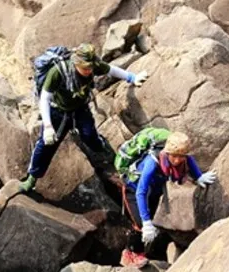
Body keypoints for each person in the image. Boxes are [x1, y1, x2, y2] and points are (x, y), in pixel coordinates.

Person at [19, 43, 149, 193]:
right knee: (46, 145)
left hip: (80, 108)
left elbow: (110, 69)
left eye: (91, 68)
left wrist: (132, 77)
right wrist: (48, 126)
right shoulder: (58, 72)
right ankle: (32, 178)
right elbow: (44, 98)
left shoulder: (93, 66)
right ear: (76, 63)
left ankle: (109, 156)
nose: (89, 71)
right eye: (85, 68)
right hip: (58, 111)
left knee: (90, 136)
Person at [119, 131, 217, 268]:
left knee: (152, 222)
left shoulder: (184, 158)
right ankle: (130, 254)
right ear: (168, 153)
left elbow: (189, 160)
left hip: (154, 191)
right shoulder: (152, 163)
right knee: (140, 223)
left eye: (180, 156)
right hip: (134, 190)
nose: (177, 160)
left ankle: (144, 251)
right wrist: (146, 223)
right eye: (174, 156)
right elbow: (141, 192)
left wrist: (199, 176)